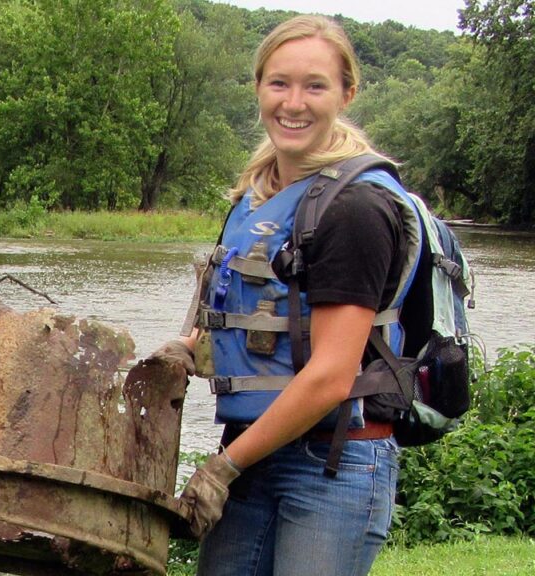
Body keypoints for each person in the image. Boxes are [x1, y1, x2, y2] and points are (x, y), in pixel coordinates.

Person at [154, 15, 422, 576]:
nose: (293, 103)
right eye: (279, 83)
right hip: (254, 452)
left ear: (347, 93)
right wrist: (187, 348)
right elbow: (248, 314)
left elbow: (330, 375)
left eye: (315, 85)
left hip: (332, 463)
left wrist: (221, 469)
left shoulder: (357, 210)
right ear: (257, 87)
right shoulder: (258, 197)